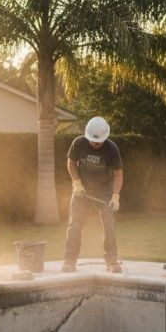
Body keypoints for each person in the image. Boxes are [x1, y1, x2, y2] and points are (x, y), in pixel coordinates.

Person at [62, 116, 123, 273]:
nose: (95, 143)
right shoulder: (79, 143)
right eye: (92, 141)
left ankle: (111, 261)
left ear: (105, 137)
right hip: (82, 190)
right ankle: (69, 261)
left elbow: (118, 174)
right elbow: (71, 163)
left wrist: (115, 196)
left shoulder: (112, 149)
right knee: (74, 225)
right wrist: (76, 182)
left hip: (104, 192)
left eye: (98, 141)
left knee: (109, 225)